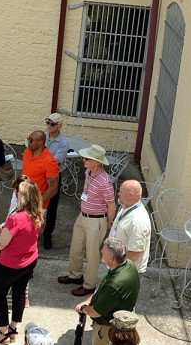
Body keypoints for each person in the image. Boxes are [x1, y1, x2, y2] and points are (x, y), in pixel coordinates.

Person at [0, 177, 43, 345]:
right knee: (19, 293)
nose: (16, 194)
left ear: (23, 196)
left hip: (10, 264)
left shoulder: (16, 218)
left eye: (18, 192)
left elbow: (3, 243)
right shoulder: (37, 215)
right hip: (29, 260)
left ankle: (3, 334)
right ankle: (13, 329)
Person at [58, 144, 116, 297]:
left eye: (87, 158)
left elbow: (111, 205)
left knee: (92, 255)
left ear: (96, 162)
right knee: (75, 248)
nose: (83, 159)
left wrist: (109, 223)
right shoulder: (88, 172)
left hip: (96, 221)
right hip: (82, 216)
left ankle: (89, 285)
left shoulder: (105, 182)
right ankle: (75, 275)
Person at [73, 237, 140, 345]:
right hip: (119, 322)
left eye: (103, 253)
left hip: (107, 330)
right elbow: (101, 289)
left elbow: (95, 312)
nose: (101, 255)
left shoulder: (115, 284)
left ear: (111, 258)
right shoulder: (128, 265)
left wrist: (83, 308)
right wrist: (87, 301)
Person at [108, 179, 152, 273]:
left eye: (121, 191)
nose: (118, 193)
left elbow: (135, 253)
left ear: (130, 195)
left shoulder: (138, 221)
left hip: (126, 272)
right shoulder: (127, 206)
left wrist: (117, 268)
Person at [12, 130, 58, 214]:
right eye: (28, 139)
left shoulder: (49, 161)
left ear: (40, 142)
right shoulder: (27, 152)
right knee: (11, 224)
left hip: (34, 204)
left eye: (31, 140)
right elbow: (24, 172)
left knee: (26, 227)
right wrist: (16, 187)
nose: (28, 142)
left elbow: (53, 188)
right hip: (19, 196)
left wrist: (36, 204)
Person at [43, 112, 69, 250]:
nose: (49, 126)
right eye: (47, 122)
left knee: (52, 207)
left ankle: (48, 235)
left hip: (53, 177)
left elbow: (55, 161)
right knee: (36, 203)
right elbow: (30, 146)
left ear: (59, 126)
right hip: (40, 175)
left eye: (52, 124)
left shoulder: (64, 142)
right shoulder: (42, 136)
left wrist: (40, 158)